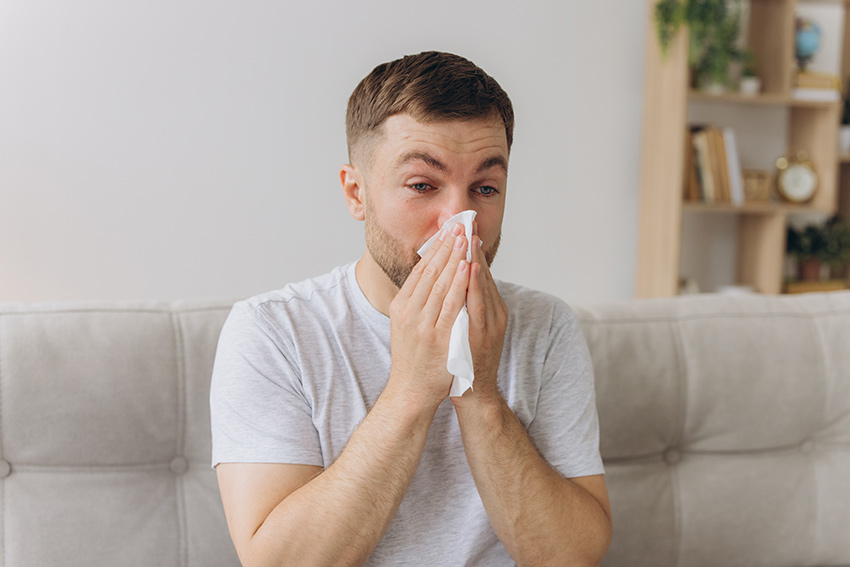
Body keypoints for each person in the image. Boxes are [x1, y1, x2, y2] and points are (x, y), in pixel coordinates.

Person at [210, 50, 612, 566]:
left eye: (485, 188)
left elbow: (572, 558)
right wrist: (412, 388)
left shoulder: (547, 327)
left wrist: (480, 391)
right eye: (423, 185)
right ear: (357, 194)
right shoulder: (271, 331)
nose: (458, 220)